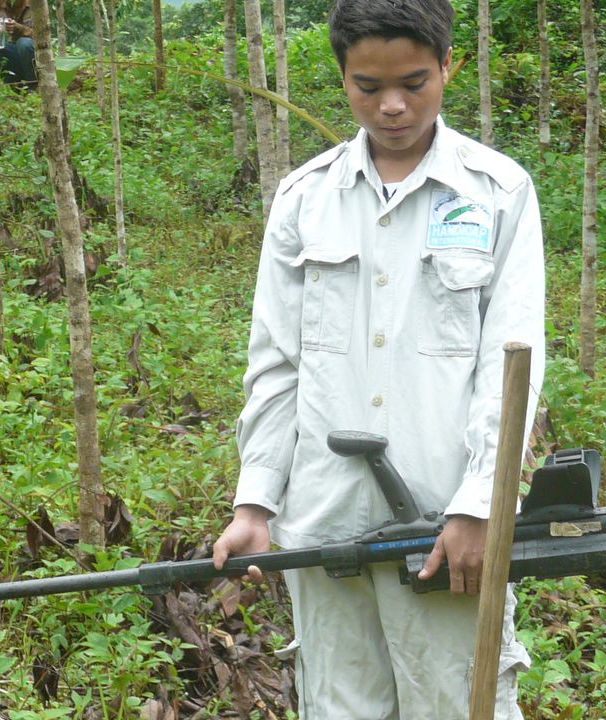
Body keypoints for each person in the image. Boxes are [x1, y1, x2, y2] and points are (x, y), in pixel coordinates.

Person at [211, 0, 546, 717]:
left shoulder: (497, 192)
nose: (392, 105)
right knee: (340, 707)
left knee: (460, 704)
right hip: (323, 520)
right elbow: (276, 362)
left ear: (449, 65)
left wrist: (483, 506)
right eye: (368, 86)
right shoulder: (305, 198)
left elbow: (512, 365)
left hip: (443, 523)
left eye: (414, 83)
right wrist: (255, 500)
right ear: (341, 78)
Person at [0, 0, 35, 90]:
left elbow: (42, 34)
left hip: (32, 54)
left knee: (24, 43)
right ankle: (14, 86)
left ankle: (34, 86)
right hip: (9, 51)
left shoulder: (34, 3)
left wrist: (19, 28)